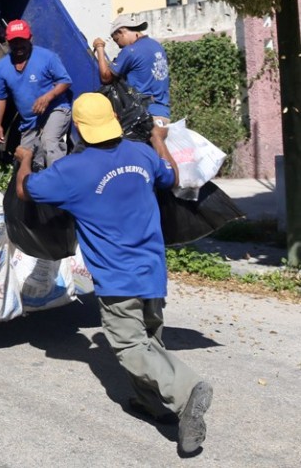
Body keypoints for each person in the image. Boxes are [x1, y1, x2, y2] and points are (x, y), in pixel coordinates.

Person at [13, 92, 213, 455]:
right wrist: (157, 139)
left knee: (129, 345)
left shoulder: (72, 172)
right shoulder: (141, 153)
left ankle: (187, 391)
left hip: (117, 277)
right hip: (153, 270)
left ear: (78, 128)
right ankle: (152, 404)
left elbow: (26, 190)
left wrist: (25, 159)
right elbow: (172, 177)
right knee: (150, 340)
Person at [0, 19, 72, 169]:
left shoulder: (47, 57)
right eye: (14, 42)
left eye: (22, 40)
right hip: (30, 120)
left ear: (30, 38)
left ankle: (60, 185)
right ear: (7, 41)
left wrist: (48, 97)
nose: (19, 45)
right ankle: (32, 188)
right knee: (24, 157)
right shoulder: (2, 67)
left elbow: (65, 81)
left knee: (50, 142)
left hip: (55, 109)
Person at [93, 14, 171, 127]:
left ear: (121, 32)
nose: (119, 45)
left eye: (117, 40)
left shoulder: (130, 51)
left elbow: (106, 77)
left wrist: (100, 48)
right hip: (163, 113)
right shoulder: (157, 46)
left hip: (143, 114)